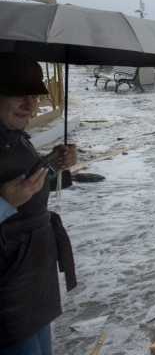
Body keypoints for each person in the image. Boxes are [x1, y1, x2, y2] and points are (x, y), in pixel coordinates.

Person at [0, 54, 77, 355]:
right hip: (9, 288)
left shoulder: (15, 137)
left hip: (32, 275)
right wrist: (5, 202)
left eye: (34, 96)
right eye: (20, 94)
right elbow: (12, 196)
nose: (30, 105)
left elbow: (28, 186)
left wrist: (54, 166)